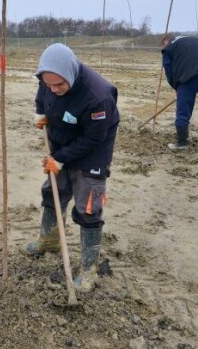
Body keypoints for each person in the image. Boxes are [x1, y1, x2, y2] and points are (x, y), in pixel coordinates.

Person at [24, 43, 120, 293]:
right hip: (61, 142)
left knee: (89, 208)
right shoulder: (48, 79)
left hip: (91, 154)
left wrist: (62, 159)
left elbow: (93, 140)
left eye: (60, 86)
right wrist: (40, 113)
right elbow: (42, 94)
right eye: (49, 85)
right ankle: (50, 241)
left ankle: (89, 270)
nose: (54, 90)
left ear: (71, 75)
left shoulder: (98, 97)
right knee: (53, 191)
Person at [161, 34, 198, 151]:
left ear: (165, 42)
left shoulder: (168, 48)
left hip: (187, 77)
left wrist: (177, 86)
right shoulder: (195, 39)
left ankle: (182, 143)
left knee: (183, 110)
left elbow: (168, 69)